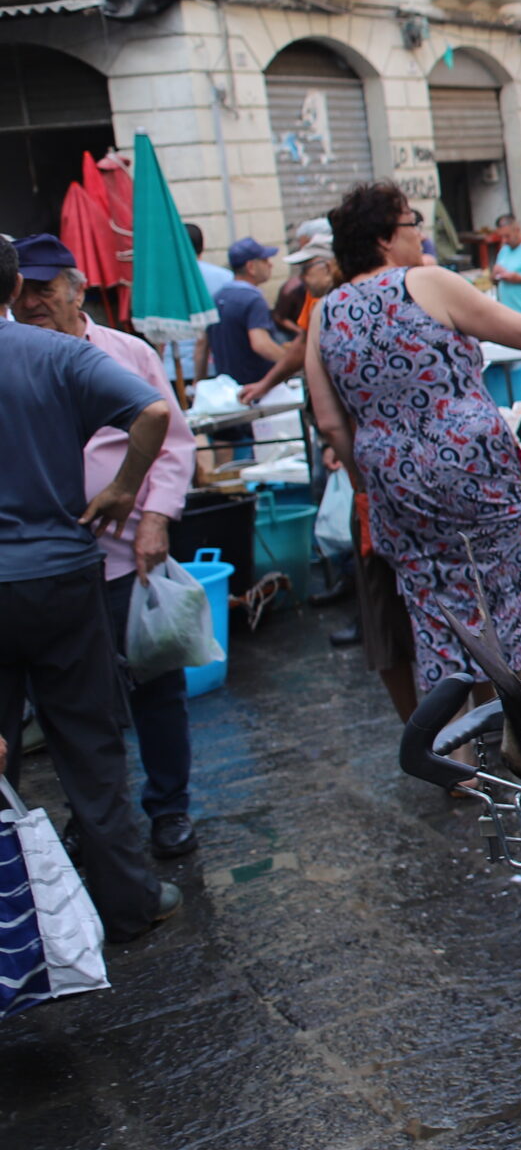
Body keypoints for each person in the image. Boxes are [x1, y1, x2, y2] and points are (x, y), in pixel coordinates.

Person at [307, 184, 521, 704]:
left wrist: (372, 478)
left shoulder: (326, 310)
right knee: (508, 602)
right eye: (412, 224)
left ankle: (457, 768)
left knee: (435, 618)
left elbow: (330, 422)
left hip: (391, 477)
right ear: (385, 238)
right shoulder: (425, 282)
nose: (421, 234)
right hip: (472, 466)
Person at [0, 235, 181, 941]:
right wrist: (124, 489)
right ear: (16, 287)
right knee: (88, 744)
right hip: (60, 576)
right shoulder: (58, 353)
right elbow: (155, 415)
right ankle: (132, 901)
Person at [241, 233, 339, 403]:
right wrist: (266, 384)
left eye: (306, 269)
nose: (301, 278)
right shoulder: (315, 298)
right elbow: (302, 342)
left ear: (329, 266)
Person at [201, 235, 282, 386]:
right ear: (251, 267)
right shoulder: (253, 300)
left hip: (226, 387)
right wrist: (290, 363)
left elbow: (202, 344)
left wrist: (198, 382)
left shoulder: (217, 297)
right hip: (255, 388)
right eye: (265, 260)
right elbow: (261, 344)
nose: (270, 265)